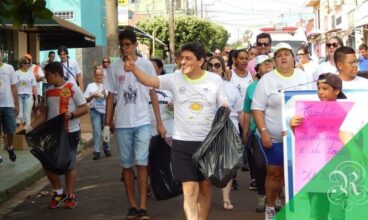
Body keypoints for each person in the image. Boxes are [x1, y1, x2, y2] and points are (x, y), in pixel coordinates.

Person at [123, 41, 227, 220]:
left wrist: (224, 112)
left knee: (205, 187)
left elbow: (224, 105)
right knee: (189, 189)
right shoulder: (174, 78)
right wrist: (133, 69)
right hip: (182, 143)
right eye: (181, 58)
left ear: (200, 61)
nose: (183, 62)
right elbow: (150, 80)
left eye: (188, 58)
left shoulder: (214, 80)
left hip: (208, 143)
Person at [103, 29, 165, 220]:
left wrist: (159, 123)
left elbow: (153, 93)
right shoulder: (113, 68)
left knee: (142, 164)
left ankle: (143, 207)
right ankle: (132, 205)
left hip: (142, 122)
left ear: (135, 45)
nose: (124, 48)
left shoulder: (146, 65)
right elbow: (111, 96)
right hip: (122, 123)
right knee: (127, 166)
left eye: (127, 45)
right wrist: (107, 124)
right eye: (121, 45)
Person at [252, 43, 312, 220]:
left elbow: (313, 104)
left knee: (300, 174)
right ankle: (270, 206)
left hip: (300, 138)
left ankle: (296, 210)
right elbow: (257, 108)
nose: (283, 58)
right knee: (275, 173)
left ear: (293, 58)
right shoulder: (267, 80)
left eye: (287, 54)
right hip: (275, 138)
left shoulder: (305, 76)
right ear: (275, 60)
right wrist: (263, 132)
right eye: (279, 55)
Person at [27, 61, 88, 209]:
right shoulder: (48, 91)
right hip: (52, 135)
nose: (46, 78)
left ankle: (70, 195)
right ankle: (58, 192)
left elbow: (85, 108)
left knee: (69, 164)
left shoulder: (72, 88)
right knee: (47, 162)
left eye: (47, 75)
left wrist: (72, 114)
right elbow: (44, 114)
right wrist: (29, 127)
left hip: (70, 132)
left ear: (56, 74)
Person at [290, 73, 347, 220]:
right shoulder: (309, 112)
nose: (320, 92)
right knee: (317, 213)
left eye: (325, 88)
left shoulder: (347, 111)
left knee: (338, 213)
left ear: (337, 91)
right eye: (318, 88)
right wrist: (293, 126)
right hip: (316, 172)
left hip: (339, 171)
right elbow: (304, 142)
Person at [207, 55, 243, 211]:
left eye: (217, 65)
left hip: (230, 128)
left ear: (222, 69)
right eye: (211, 65)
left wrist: (244, 132)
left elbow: (240, 111)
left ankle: (226, 198)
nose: (214, 68)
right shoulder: (202, 85)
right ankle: (205, 197)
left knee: (227, 166)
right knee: (208, 165)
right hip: (207, 130)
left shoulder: (230, 87)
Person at [243, 55, 274, 213]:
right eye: (264, 64)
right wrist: (246, 131)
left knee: (277, 167)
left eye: (270, 62)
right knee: (260, 166)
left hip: (280, 133)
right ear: (257, 70)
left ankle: (275, 196)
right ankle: (262, 194)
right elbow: (247, 112)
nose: (268, 66)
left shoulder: (280, 83)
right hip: (258, 134)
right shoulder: (251, 88)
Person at [84, 67, 111, 160]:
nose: (99, 76)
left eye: (101, 75)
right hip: (94, 110)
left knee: (106, 130)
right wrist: (92, 96)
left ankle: (106, 147)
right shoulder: (90, 86)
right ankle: (97, 151)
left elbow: (111, 99)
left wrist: (106, 94)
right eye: (97, 75)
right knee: (96, 130)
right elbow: (85, 99)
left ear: (103, 75)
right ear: (94, 76)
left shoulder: (107, 85)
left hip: (106, 111)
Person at [0, 53, 19, 164]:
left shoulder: (9, 68)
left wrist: (17, 104)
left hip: (8, 104)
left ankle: (10, 146)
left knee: (11, 130)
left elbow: (14, 86)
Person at [15, 55, 38, 127]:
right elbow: (14, 87)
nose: (27, 64)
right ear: (21, 63)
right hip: (19, 96)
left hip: (29, 96)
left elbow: (34, 87)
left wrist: (36, 99)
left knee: (27, 118)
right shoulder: (16, 73)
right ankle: (19, 134)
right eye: (25, 63)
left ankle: (26, 135)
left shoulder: (31, 74)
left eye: (28, 63)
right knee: (19, 116)